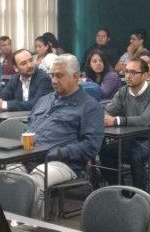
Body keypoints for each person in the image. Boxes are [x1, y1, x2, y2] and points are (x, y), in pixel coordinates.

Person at [12, 54, 104, 217]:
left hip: (64, 163)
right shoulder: (44, 100)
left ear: (76, 77)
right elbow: (29, 126)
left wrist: (59, 152)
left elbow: (91, 146)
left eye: (59, 75)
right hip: (30, 156)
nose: (54, 80)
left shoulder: (90, 107)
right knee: (6, 176)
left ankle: (33, 228)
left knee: (35, 181)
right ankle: (8, 224)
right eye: (52, 75)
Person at [102, 57, 150, 192]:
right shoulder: (123, 91)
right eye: (126, 71)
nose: (128, 76)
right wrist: (104, 117)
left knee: (136, 154)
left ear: (145, 75)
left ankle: (139, 195)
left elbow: (144, 120)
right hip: (132, 138)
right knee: (104, 150)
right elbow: (108, 110)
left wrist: (116, 121)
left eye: (133, 72)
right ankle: (119, 191)